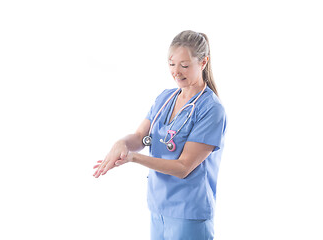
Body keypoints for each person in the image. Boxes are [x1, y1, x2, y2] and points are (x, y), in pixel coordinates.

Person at [93, 30, 227, 240]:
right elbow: (140, 136)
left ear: (203, 62)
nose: (176, 72)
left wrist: (134, 158)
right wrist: (122, 143)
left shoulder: (211, 109)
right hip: (158, 206)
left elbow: (183, 167)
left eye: (184, 65)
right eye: (171, 64)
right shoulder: (166, 98)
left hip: (188, 211)